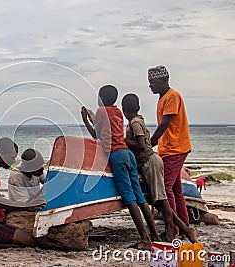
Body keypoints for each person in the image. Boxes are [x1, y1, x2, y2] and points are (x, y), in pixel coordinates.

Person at [81, 85, 160, 250]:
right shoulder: (117, 112)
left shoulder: (101, 111)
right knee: (140, 197)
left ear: (101, 98)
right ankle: (155, 235)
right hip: (128, 154)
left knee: (129, 198)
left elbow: (96, 135)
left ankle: (145, 239)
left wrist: (86, 120)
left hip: (117, 156)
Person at [122, 93, 197, 243]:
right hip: (151, 162)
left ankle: (171, 232)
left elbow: (142, 145)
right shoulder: (138, 120)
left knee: (162, 199)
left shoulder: (135, 123)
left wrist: (123, 141)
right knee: (159, 199)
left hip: (150, 162)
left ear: (124, 110)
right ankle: (185, 228)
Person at [0, 137, 46, 248]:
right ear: (1, 153)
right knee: (29, 241)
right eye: (12, 157)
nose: (13, 161)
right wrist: (27, 205)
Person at [148, 65, 191, 235]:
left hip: (175, 148)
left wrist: (150, 143)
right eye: (149, 83)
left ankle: (172, 229)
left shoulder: (172, 96)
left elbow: (164, 124)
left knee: (165, 189)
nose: (150, 86)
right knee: (175, 190)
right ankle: (183, 225)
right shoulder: (163, 98)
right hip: (169, 148)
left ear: (163, 81)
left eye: (153, 82)